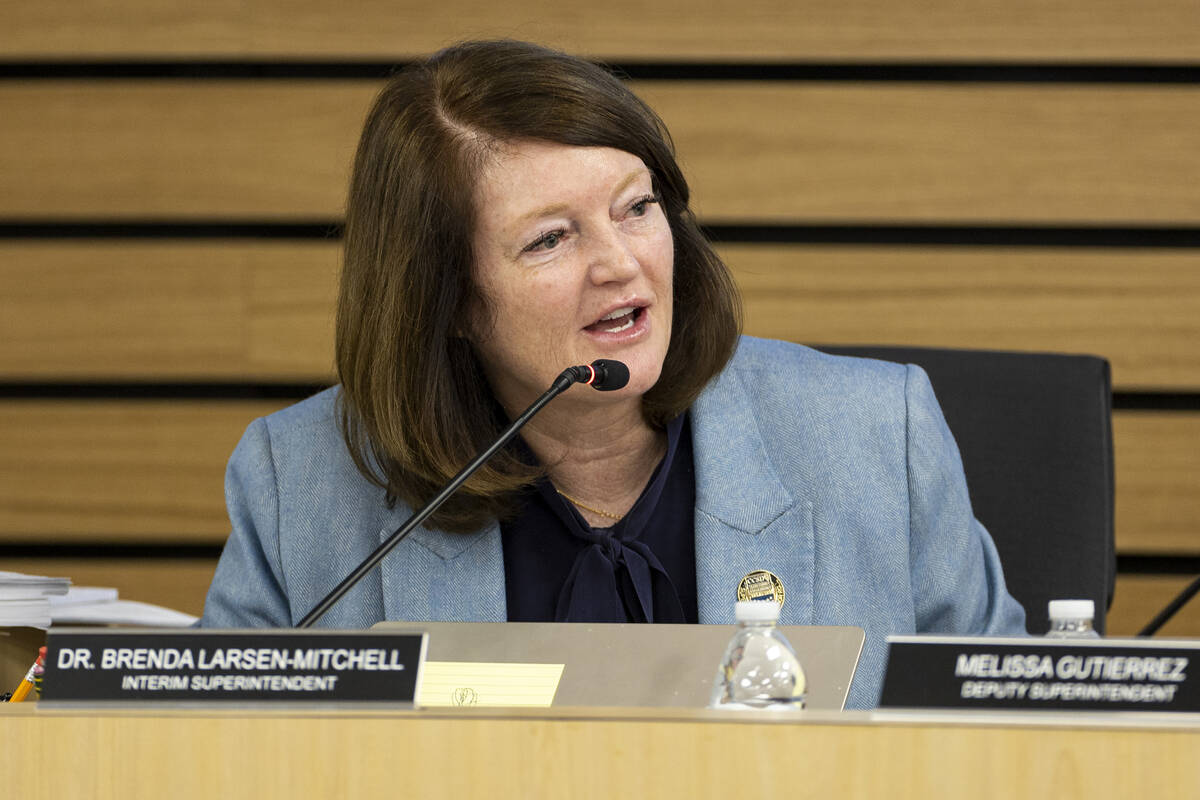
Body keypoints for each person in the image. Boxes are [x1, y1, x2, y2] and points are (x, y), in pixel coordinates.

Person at [199, 39, 1026, 708]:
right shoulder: (301, 479)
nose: (621, 264)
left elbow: (1016, 735)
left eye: (636, 208)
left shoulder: (876, 436)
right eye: (551, 239)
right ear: (446, 297)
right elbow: (211, 752)